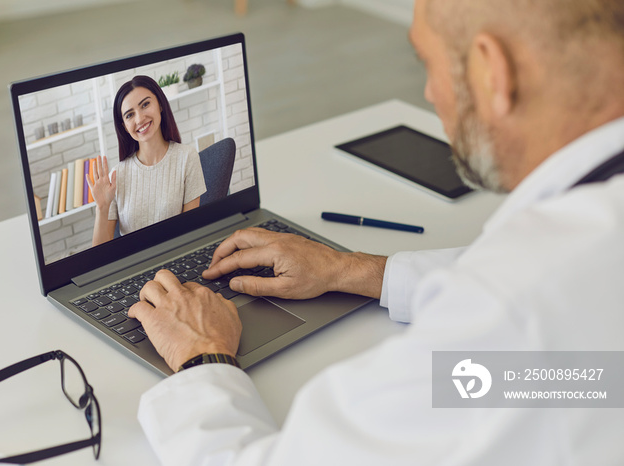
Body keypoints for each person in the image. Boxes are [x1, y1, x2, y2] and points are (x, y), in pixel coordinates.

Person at [127, 0, 624, 464]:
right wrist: (353, 270)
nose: (429, 92)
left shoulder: (507, 317)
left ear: (492, 71)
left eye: (426, 63)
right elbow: (590, 378)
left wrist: (201, 356)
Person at [88, 75, 206, 246]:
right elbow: (98, 256)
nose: (139, 119)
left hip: (176, 259)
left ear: (159, 104)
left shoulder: (187, 158)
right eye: (129, 115)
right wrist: (102, 207)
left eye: (145, 105)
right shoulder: (116, 176)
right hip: (134, 266)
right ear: (124, 127)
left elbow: (190, 236)